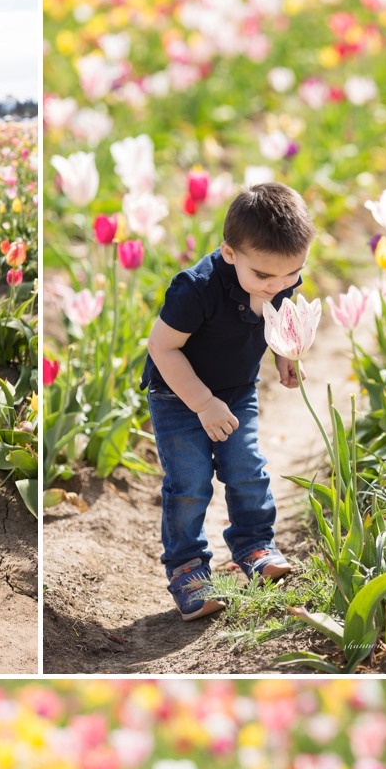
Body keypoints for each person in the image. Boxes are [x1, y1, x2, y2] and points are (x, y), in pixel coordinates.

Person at [142, 181, 313, 620]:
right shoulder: (195, 289)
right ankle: (187, 568)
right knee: (190, 481)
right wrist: (201, 402)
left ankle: (254, 545)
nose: (278, 286)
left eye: (291, 275)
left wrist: (283, 354)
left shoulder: (276, 277)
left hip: (236, 391)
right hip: (179, 395)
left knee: (246, 467)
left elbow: (278, 316)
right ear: (230, 253)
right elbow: (162, 348)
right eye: (264, 277)